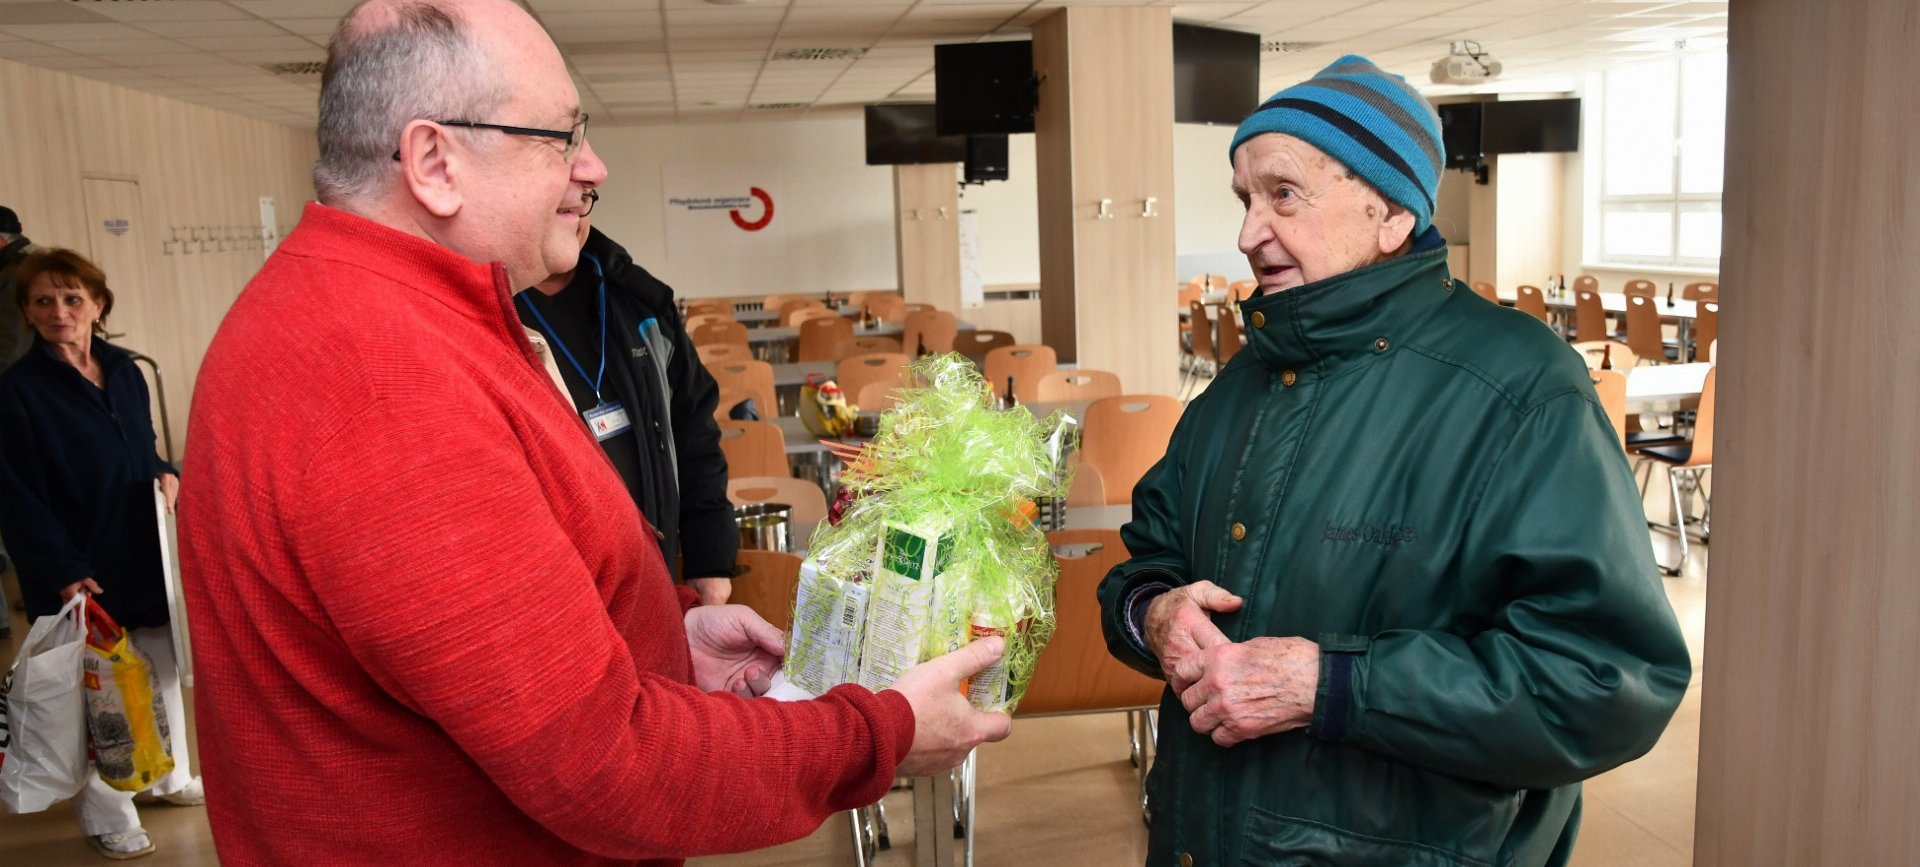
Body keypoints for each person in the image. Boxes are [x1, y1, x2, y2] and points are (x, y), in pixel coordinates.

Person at [176, 1, 1010, 864]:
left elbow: (490, 645)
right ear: (434, 162)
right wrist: (880, 731)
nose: (593, 167)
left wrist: (660, 639)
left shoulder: (373, 316)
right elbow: (603, 764)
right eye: (560, 138)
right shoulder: (381, 380)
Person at [1097, 56, 1691, 867]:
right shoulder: (1236, 389)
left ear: (1392, 213)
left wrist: (1332, 684)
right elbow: (1146, 561)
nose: (1248, 233)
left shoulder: (1519, 390)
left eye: (1283, 194)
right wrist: (1152, 614)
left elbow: (1604, 678)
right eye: (1245, 198)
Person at [0, 248, 202, 860]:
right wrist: (62, 569)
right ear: (27, 313)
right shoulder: (17, 390)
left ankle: (166, 775)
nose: (58, 311)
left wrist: (164, 470)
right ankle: (106, 811)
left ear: (98, 305)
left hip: (139, 547)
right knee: (94, 695)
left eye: (72, 299)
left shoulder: (124, 369)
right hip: (73, 563)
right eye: (43, 301)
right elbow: (15, 493)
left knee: (157, 669)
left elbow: (144, 446)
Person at [520, 196, 737, 605]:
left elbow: (695, 433)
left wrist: (710, 557)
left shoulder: (637, 300)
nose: (574, 215)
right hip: (555, 592)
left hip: (654, 578)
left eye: (582, 203)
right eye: (560, 205)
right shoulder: (487, 311)